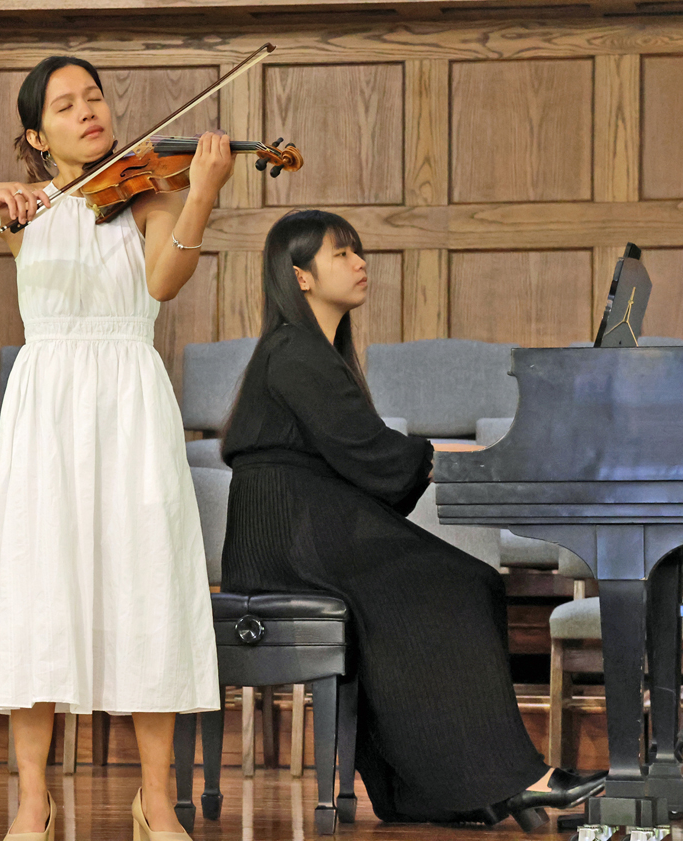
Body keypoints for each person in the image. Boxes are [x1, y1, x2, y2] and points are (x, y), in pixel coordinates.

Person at [0, 56, 234, 841]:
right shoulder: (22, 209)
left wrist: (204, 195)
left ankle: (156, 800)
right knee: (39, 595)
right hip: (47, 404)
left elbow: (161, 285)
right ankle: (32, 801)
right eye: (66, 104)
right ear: (35, 135)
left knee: (146, 589)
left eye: (95, 97)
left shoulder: (147, 194)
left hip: (130, 398)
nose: (89, 111)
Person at [219, 209, 605, 830]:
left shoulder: (313, 352)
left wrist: (441, 461)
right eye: (341, 254)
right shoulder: (293, 350)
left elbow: (362, 455)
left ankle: (442, 788)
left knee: (463, 581)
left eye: (358, 251)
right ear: (301, 277)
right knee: (455, 583)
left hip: (308, 525)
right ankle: (507, 780)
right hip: (289, 534)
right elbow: (369, 450)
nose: (359, 262)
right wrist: (458, 458)